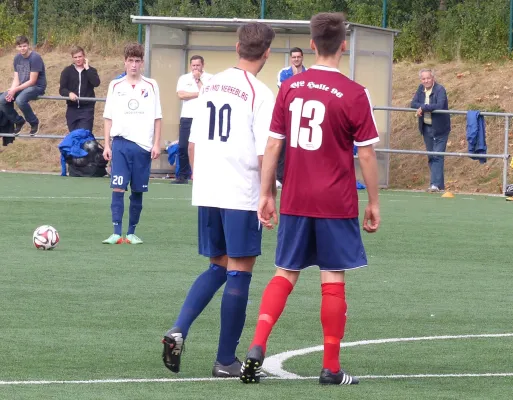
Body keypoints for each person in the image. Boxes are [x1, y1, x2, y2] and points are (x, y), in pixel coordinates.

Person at [240, 12, 381, 386]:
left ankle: (256, 346)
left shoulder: (290, 87)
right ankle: (331, 367)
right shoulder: (354, 93)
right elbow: (366, 154)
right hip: (336, 200)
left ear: (313, 45)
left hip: (297, 198)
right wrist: (375, 202)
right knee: (332, 278)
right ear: (345, 45)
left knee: (285, 272)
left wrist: (267, 192)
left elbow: (273, 144)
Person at [162, 22, 276, 378]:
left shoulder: (210, 84)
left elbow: (191, 144)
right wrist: (268, 193)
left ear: (237, 46)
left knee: (217, 265)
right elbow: (264, 153)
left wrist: (202, 180)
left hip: (208, 188)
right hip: (241, 191)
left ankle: (179, 327)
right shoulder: (260, 93)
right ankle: (226, 360)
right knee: (239, 271)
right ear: (268, 53)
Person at [102, 43, 162, 245]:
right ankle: (116, 233)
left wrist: (156, 144)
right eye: (130, 61)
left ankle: (132, 232)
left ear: (142, 63)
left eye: (137, 61)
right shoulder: (115, 85)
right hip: (120, 144)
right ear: (125, 62)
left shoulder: (151, 85)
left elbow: (157, 118)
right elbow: (108, 117)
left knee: (137, 190)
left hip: (143, 147)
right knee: (118, 188)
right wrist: (107, 145)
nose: (134, 65)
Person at [173, 56, 213, 184]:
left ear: (203, 65)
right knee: (183, 146)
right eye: (193, 65)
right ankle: (182, 175)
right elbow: (181, 95)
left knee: (203, 147)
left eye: (198, 65)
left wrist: (198, 80)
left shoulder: (210, 78)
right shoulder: (183, 78)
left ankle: (202, 174)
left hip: (203, 117)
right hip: (187, 117)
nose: (196, 68)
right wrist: (198, 94)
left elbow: (209, 95)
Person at [411, 69, 451, 192]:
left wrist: (422, 107)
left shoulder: (440, 89)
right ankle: (439, 185)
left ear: (433, 78)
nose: (426, 81)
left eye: (428, 78)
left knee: (437, 156)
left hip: (440, 128)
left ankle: (434, 184)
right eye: (423, 79)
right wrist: (420, 107)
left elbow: (440, 105)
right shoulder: (420, 89)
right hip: (426, 127)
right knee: (431, 156)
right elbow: (413, 103)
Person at [0, 35, 46, 136]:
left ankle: (34, 122)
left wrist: (15, 90)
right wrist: (12, 90)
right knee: (2, 100)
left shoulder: (35, 58)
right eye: (20, 46)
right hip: (22, 87)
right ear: (17, 47)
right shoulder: (17, 58)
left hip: (36, 87)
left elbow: (32, 81)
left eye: (24, 46)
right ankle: (18, 121)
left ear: (28, 46)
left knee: (20, 100)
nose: (22, 48)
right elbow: (16, 78)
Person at [275, 47, 308, 187]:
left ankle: (302, 176)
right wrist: (296, 79)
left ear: (302, 58)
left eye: (298, 57)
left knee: (302, 146)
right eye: (294, 57)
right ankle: (280, 178)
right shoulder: (284, 72)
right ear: (290, 58)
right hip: (286, 115)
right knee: (283, 146)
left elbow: (308, 91)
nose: (296, 59)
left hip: (304, 114)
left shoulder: (309, 73)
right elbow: (285, 90)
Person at [59, 46, 101, 133]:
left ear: (84, 56)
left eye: (80, 56)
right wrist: (69, 93)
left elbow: (96, 83)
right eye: (75, 57)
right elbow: (62, 89)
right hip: (72, 109)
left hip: (87, 109)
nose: (78, 59)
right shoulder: (67, 71)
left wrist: (87, 69)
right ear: (72, 58)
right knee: (74, 136)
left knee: (83, 135)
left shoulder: (91, 70)